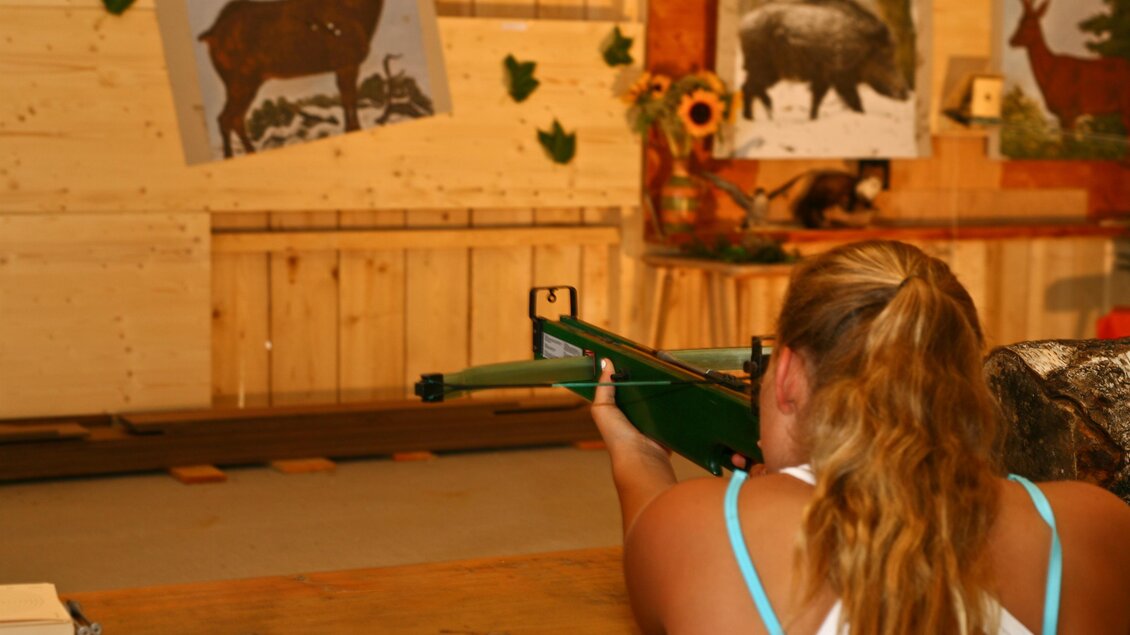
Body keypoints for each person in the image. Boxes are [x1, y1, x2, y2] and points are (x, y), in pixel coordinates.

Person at [590, 240, 1130, 635]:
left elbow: (653, 547)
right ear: (965, 381)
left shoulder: (693, 528)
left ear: (788, 377)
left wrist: (635, 450)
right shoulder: (1092, 524)